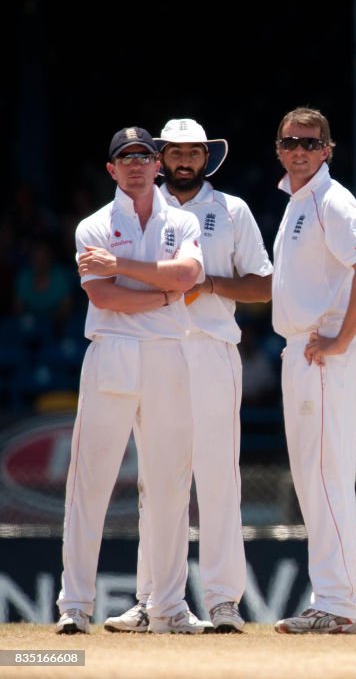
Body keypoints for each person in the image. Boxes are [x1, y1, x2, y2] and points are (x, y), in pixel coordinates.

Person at [101, 118, 273, 634]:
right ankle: (152, 598)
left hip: (213, 349)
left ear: (206, 157)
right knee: (156, 481)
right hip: (154, 349)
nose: (183, 160)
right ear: (159, 158)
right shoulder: (135, 212)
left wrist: (209, 284)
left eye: (192, 152)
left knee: (219, 478)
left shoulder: (231, 209)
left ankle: (223, 602)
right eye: (173, 151)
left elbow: (263, 285)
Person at [57, 127, 207, 634]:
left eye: (145, 155)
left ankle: (169, 607)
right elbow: (105, 298)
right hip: (113, 352)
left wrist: (124, 267)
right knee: (90, 482)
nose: (137, 164)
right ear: (112, 169)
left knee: (170, 483)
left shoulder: (182, 219)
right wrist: (163, 293)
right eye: (126, 158)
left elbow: (187, 277)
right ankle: (74, 606)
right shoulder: (93, 225)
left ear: (157, 164)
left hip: (168, 353)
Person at [270, 107, 356, 634]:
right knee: (314, 479)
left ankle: (338, 605)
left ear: (328, 150)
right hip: (305, 350)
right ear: (278, 147)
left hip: (323, 352)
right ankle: (331, 600)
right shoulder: (300, 201)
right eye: (292, 141)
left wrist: (340, 337)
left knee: (326, 477)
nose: (300, 150)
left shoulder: (331, 202)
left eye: (311, 143)